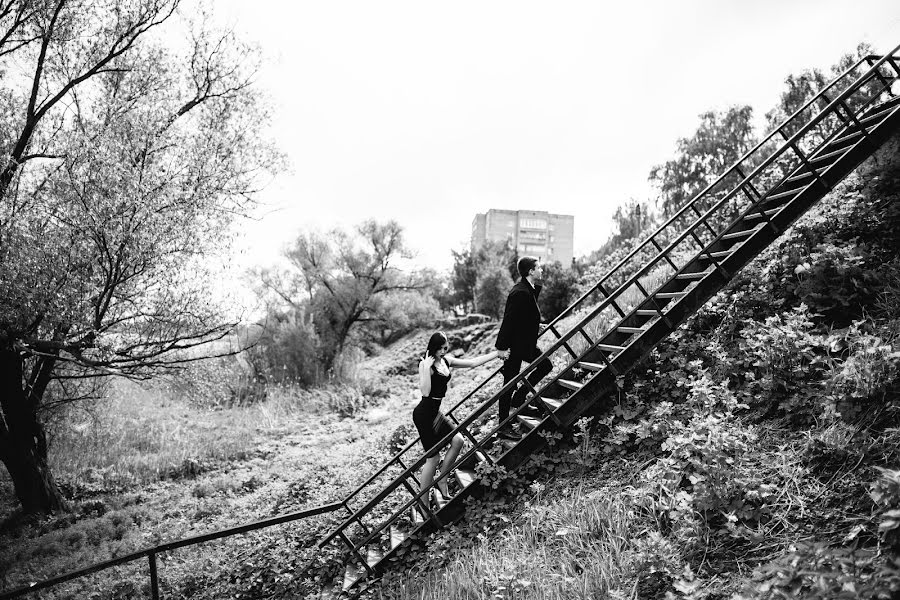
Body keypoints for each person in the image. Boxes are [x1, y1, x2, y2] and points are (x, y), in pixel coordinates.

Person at [414, 331, 500, 506]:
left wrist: (496, 354)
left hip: (435, 412)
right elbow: (425, 392)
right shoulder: (426, 365)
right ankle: (423, 504)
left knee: (458, 440)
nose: (444, 351)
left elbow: (473, 363)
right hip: (424, 415)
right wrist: (424, 369)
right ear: (434, 349)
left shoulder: (447, 361)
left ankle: (442, 479)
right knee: (433, 458)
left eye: (446, 347)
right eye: (441, 349)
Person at [495, 256, 553, 433]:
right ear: (531, 271)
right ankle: (503, 425)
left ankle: (519, 399)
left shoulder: (528, 289)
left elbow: (526, 315)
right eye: (539, 268)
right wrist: (501, 347)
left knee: (545, 365)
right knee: (509, 384)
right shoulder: (519, 292)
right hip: (515, 347)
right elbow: (509, 320)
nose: (541, 270)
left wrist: (536, 325)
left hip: (525, 344)